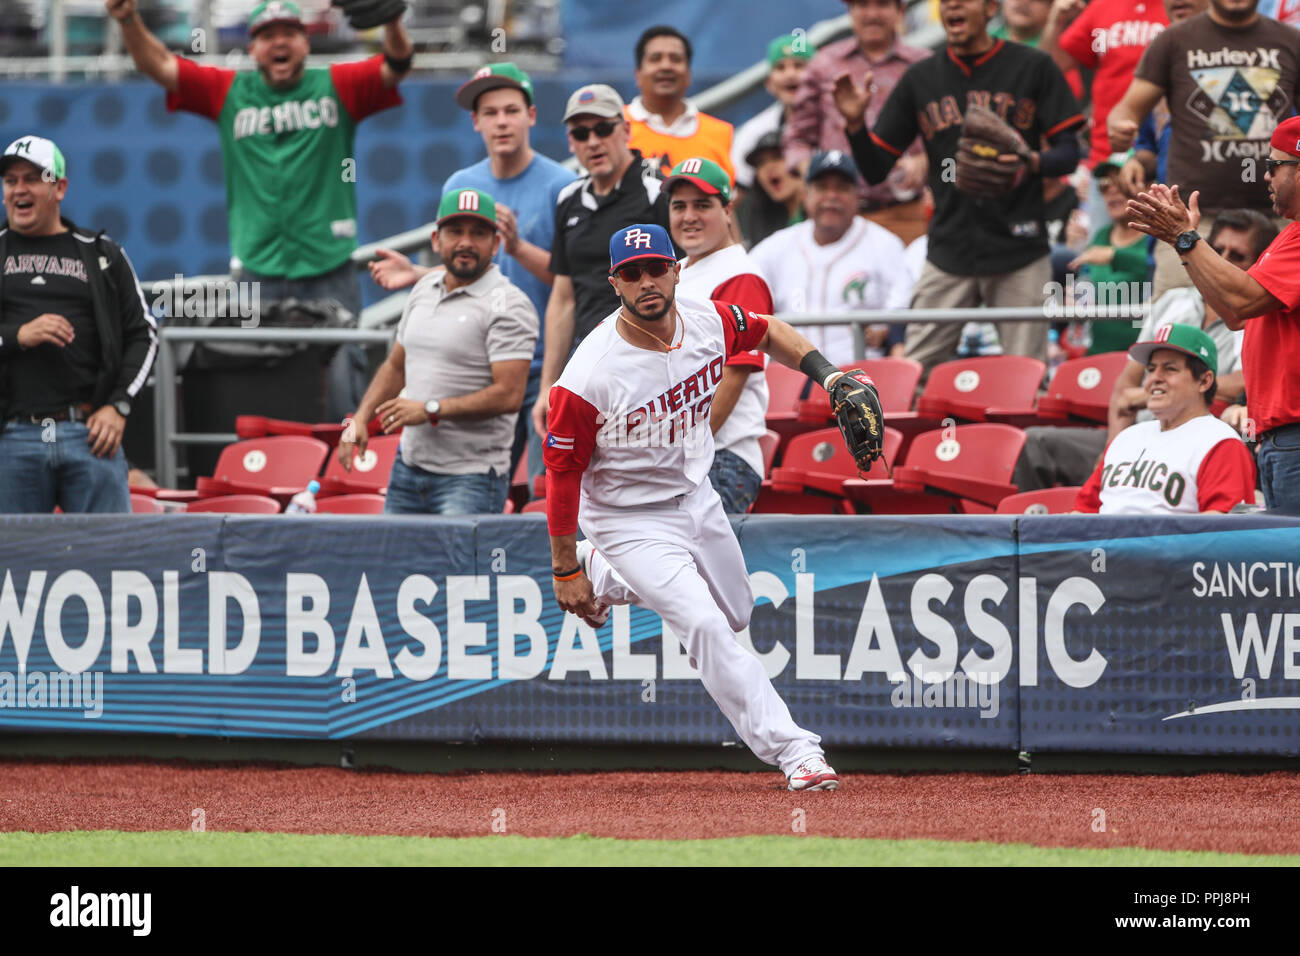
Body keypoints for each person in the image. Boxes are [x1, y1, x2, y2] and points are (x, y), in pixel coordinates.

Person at [544, 223, 855, 791]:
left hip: (696, 495)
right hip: (625, 517)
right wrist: (563, 567)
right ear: (615, 283)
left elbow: (769, 331)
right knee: (706, 627)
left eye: (656, 267)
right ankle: (796, 751)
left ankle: (604, 576)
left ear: (676, 268)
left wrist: (828, 375)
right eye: (631, 274)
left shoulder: (708, 317)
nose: (647, 281)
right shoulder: (587, 377)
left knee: (736, 611)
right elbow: (560, 477)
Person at [106, 0, 412, 421]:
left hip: (329, 270)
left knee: (343, 391)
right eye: (267, 36)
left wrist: (392, 20)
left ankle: (342, 480)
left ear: (306, 43)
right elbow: (160, 65)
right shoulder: (229, 90)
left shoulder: (338, 85)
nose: (278, 43)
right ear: (252, 49)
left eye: (288, 33)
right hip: (258, 274)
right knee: (264, 392)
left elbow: (397, 63)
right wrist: (127, 18)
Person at [836, 0, 1085, 374]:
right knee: (914, 374)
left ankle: (1015, 435)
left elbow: (1070, 151)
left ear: (990, 9)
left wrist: (1030, 162)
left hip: (1019, 248)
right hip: (949, 249)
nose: (952, 4)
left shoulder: (1033, 66)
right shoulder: (921, 78)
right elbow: (874, 171)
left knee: (1026, 377)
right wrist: (855, 126)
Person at [367, 63, 574, 491]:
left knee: (546, 495)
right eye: (491, 112)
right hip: (478, 372)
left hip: (549, 371)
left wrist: (518, 246)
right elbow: (468, 277)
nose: (502, 121)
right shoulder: (461, 184)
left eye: (511, 110)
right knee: (471, 490)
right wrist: (422, 274)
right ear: (475, 121)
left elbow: (574, 286)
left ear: (531, 116)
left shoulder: (563, 185)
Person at [1014, 212, 1267, 491]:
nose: (1223, 260)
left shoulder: (1264, 317)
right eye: (1217, 250)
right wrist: (1113, 450)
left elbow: (1244, 384)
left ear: (1259, 262)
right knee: (1035, 442)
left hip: (1200, 445)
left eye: (1237, 255)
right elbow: (1125, 388)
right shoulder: (1172, 301)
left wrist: (1151, 395)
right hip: (1139, 435)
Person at [1126, 115, 1300, 513]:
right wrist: (1186, 249)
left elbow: (1241, 301)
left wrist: (1186, 241)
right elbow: (1234, 312)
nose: (1266, 177)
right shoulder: (1288, 234)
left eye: (1274, 165)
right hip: (1278, 438)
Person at [338, 188, 538, 515]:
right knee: (394, 566)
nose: (465, 242)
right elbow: (395, 366)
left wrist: (431, 409)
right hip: (408, 466)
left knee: (456, 568)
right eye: (455, 231)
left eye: (478, 233)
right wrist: (360, 419)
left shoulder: (510, 304)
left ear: (496, 244)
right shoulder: (423, 289)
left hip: (472, 477)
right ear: (435, 240)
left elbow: (509, 395)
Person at [0, 136, 158, 513]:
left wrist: (118, 406)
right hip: (11, 436)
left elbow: (143, 332)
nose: (19, 189)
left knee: (108, 562)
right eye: (10, 180)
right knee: (14, 568)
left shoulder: (101, 254)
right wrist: (17, 336)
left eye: (33, 179)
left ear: (60, 188)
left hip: (88, 433)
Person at [1107, 0, 1300, 302]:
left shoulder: (1291, 41)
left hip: (1277, 219)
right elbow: (1127, 108)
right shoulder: (1172, 41)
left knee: (1273, 330)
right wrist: (1119, 127)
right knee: (1172, 329)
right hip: (1189, 220)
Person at [530, 84, 673, 444]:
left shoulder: (659, 190)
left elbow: (683, 279)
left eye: (603, 129)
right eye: (581, 133)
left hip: (648, 362)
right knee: (556, 475)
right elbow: (563, 298)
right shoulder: (568, 199)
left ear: (625, 130)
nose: (592, 141)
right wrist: (550, 384)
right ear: (570, 143)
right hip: (587, 362)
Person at [664, 157, 774, 513]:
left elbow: (734, 372)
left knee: (696, 568)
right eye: (679, 206)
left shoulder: (739, 274)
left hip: (719, 458)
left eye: (702, 205)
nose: (689, 216)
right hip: (681, 456)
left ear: (728, 210)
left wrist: (688, 454)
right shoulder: (675, 270)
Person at [784, 0, 931, 244]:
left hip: (906, 215)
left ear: (901, 11)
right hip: (835, 216)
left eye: (882, 4)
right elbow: (797, 138)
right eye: (862, 4)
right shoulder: (824, 64)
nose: (872, 14)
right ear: (849, 11)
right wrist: (816, 174)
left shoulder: (924, 66)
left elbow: (948, 137)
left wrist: (925, 161)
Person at [749, 150, 913, 365]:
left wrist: (885, 330)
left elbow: (901, 309)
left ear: (858, 196)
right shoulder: (775, 247)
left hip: (859, 378)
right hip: (790, 378)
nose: (832, 196)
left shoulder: (885, 245)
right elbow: (745, 295)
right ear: (805, 194)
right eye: (822, 187)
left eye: (842, 188)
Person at [1074, 324, 1257, 513]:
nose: (1154, 378)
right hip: (1102, 541)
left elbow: (1224, 528)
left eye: (1169, 369)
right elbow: (1082, 512)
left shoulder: (1221, 443)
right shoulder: (1125, 438)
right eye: (1151, 369)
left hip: (1169, 542)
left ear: (1204, 381)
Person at [1040, 0, 1169, 229]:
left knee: (1163, 258)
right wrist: (1056, 21)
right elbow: (1051, 68)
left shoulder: (1183, 5)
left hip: (1165, 155)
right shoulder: (1102, 6)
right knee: (1097, 255)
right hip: (1107, 158)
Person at [624, 25, 736, 180]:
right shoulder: (612, 128)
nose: (666, 66)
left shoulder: (722, 134)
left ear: (689, 74)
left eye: (675, 59)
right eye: (655, 58)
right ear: (638, 74)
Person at [730, 34, 816, 195]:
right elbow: (734, 199)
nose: (790, 74)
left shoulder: (838, 124)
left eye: (799, 66)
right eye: (780, 68)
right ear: (769, 83)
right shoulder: (753, 133)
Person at [734, 131, 807, 247]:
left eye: (777, 157)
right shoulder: (760, 220)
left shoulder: (821, 210)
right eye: (760, 163)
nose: (769, 167)